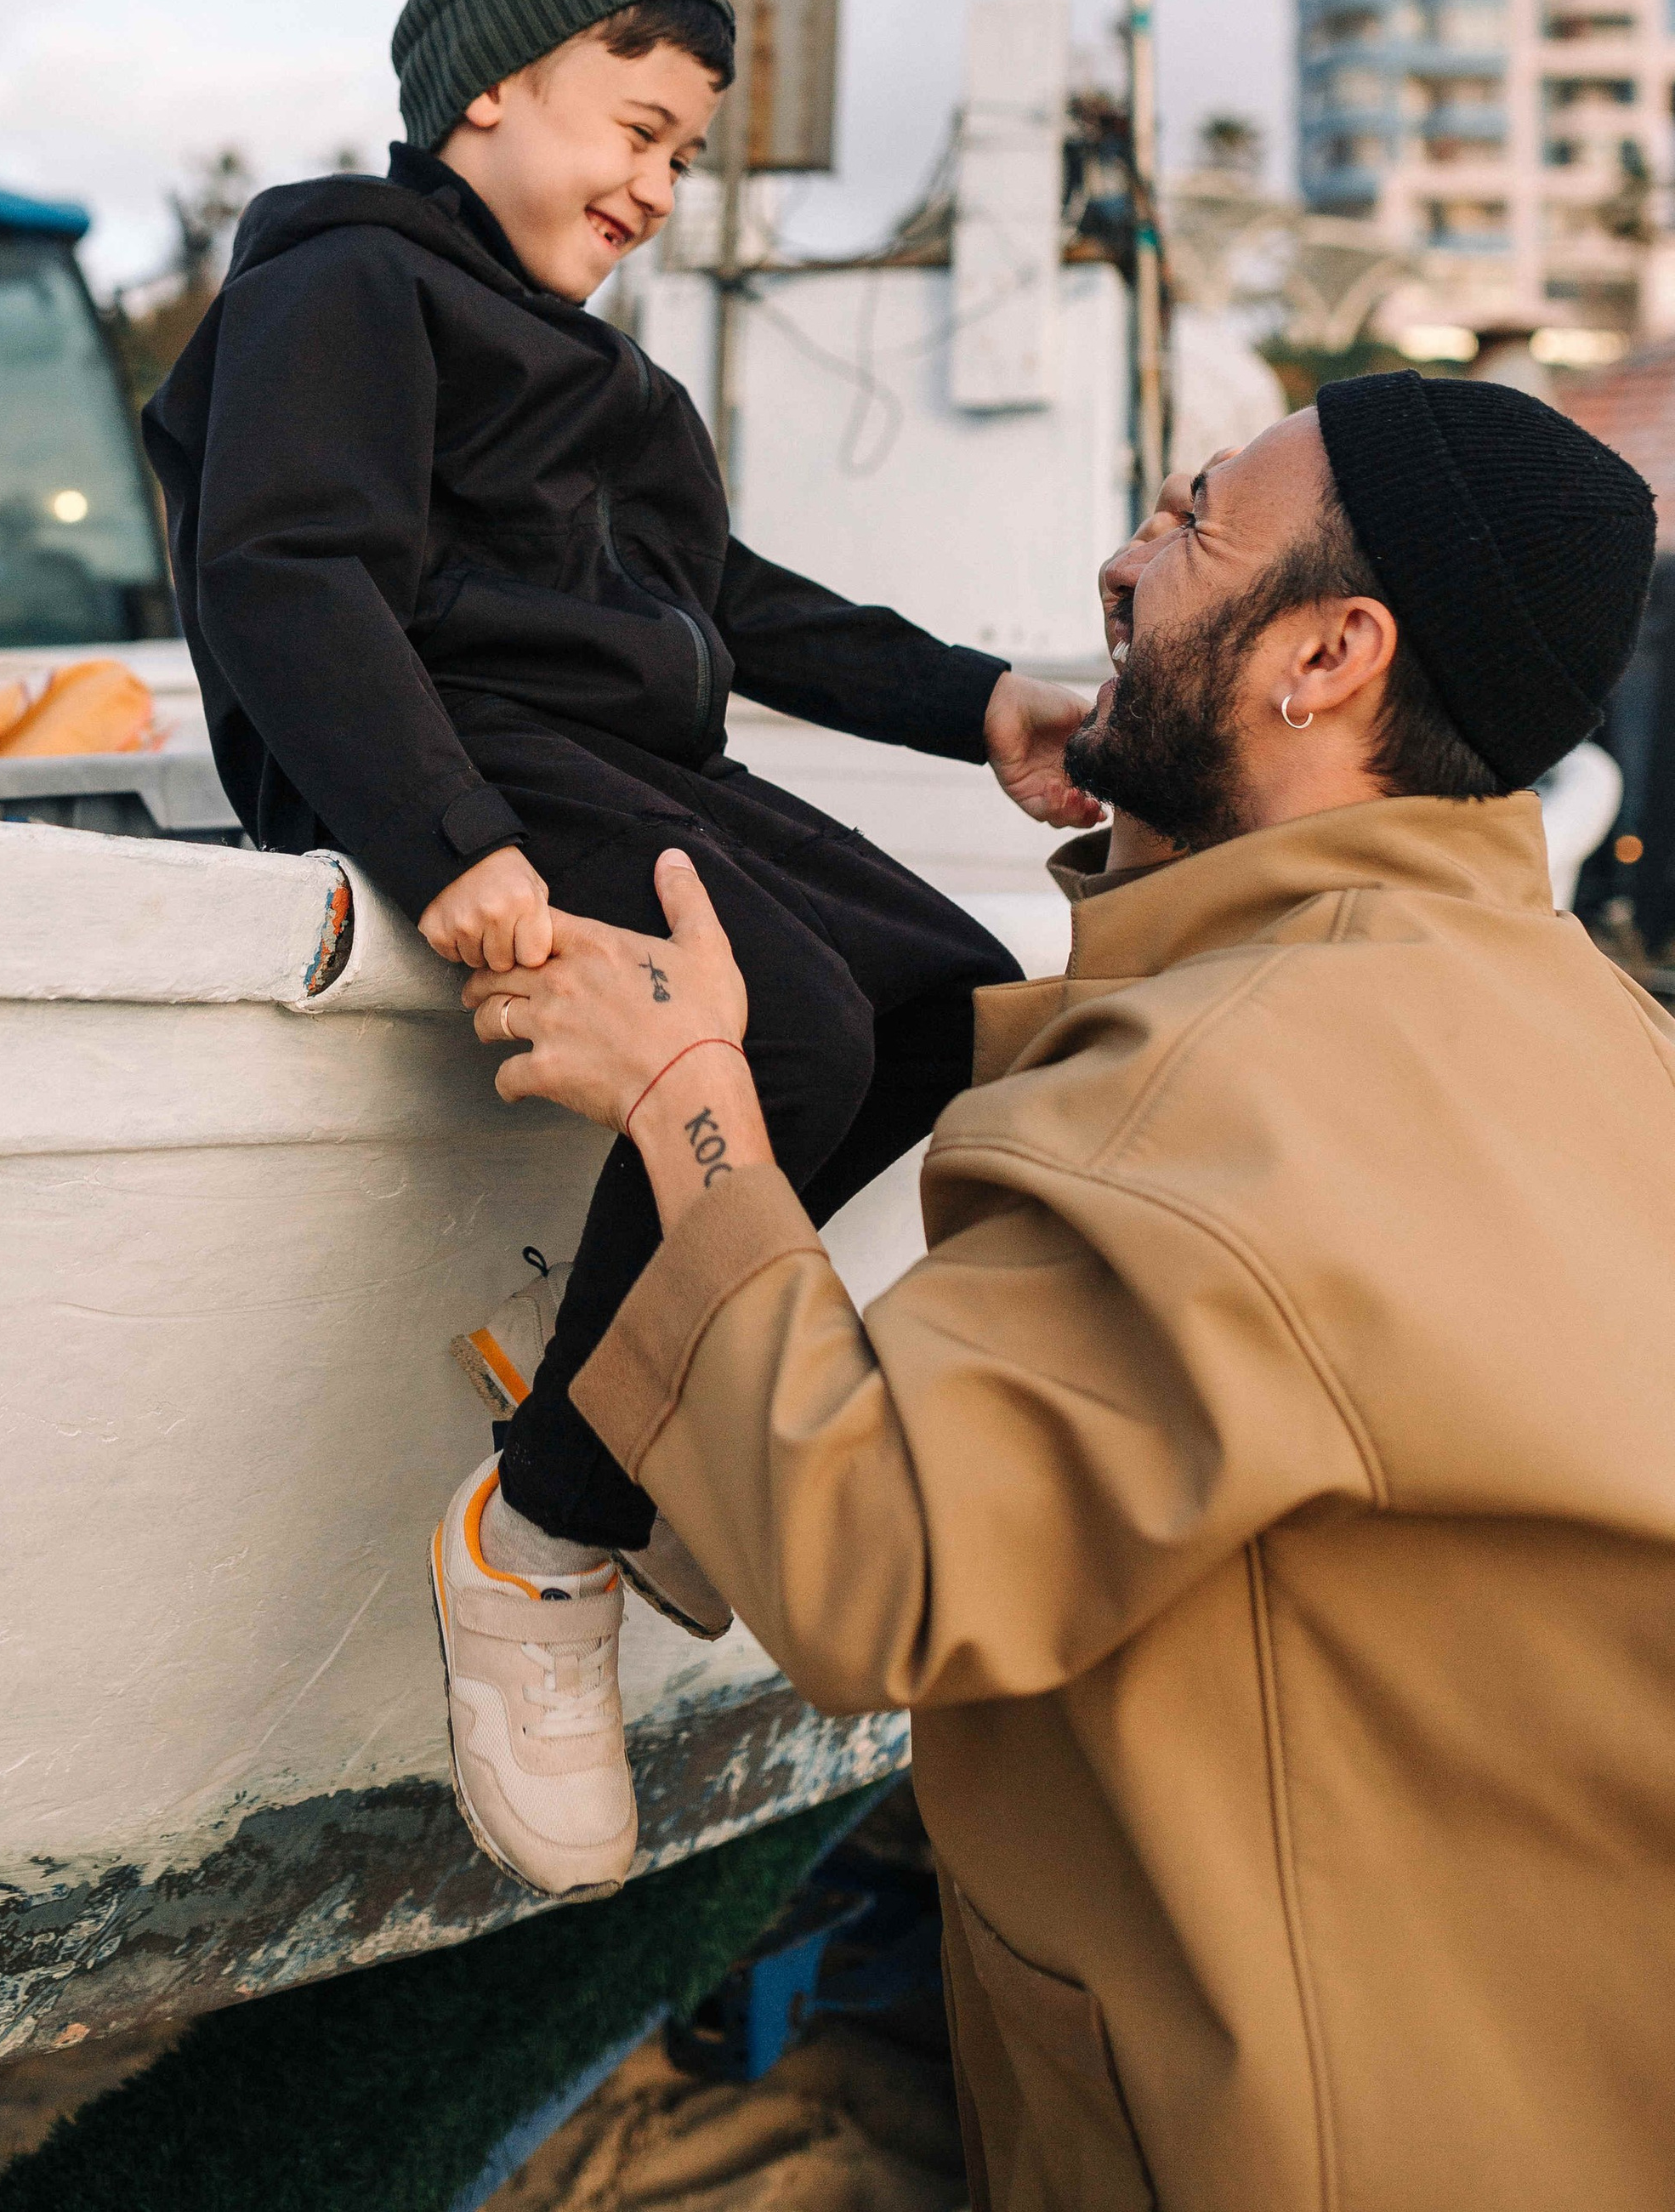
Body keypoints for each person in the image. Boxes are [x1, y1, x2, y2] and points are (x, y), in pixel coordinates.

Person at [459, 372, 1675, 2212]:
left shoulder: (1219, 1096)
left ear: (1329, 654)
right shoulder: (1582, 1017)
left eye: (1193, 525)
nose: (1123, 565)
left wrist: (690, 1106)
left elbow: (879, 1565)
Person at [143, 0, 1095, 1899]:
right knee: (796, 1038)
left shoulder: (599, 370)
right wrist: (450, 843)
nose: (659, 185)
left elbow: (728, 598)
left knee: (944, 998)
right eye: (636, 127)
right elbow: (284, 575)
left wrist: (981, 704)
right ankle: (543, 1532)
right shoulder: (340, 285)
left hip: (613, 764)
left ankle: (622, 1410)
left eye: (681, 150)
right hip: (462, 762)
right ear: (488, 86)